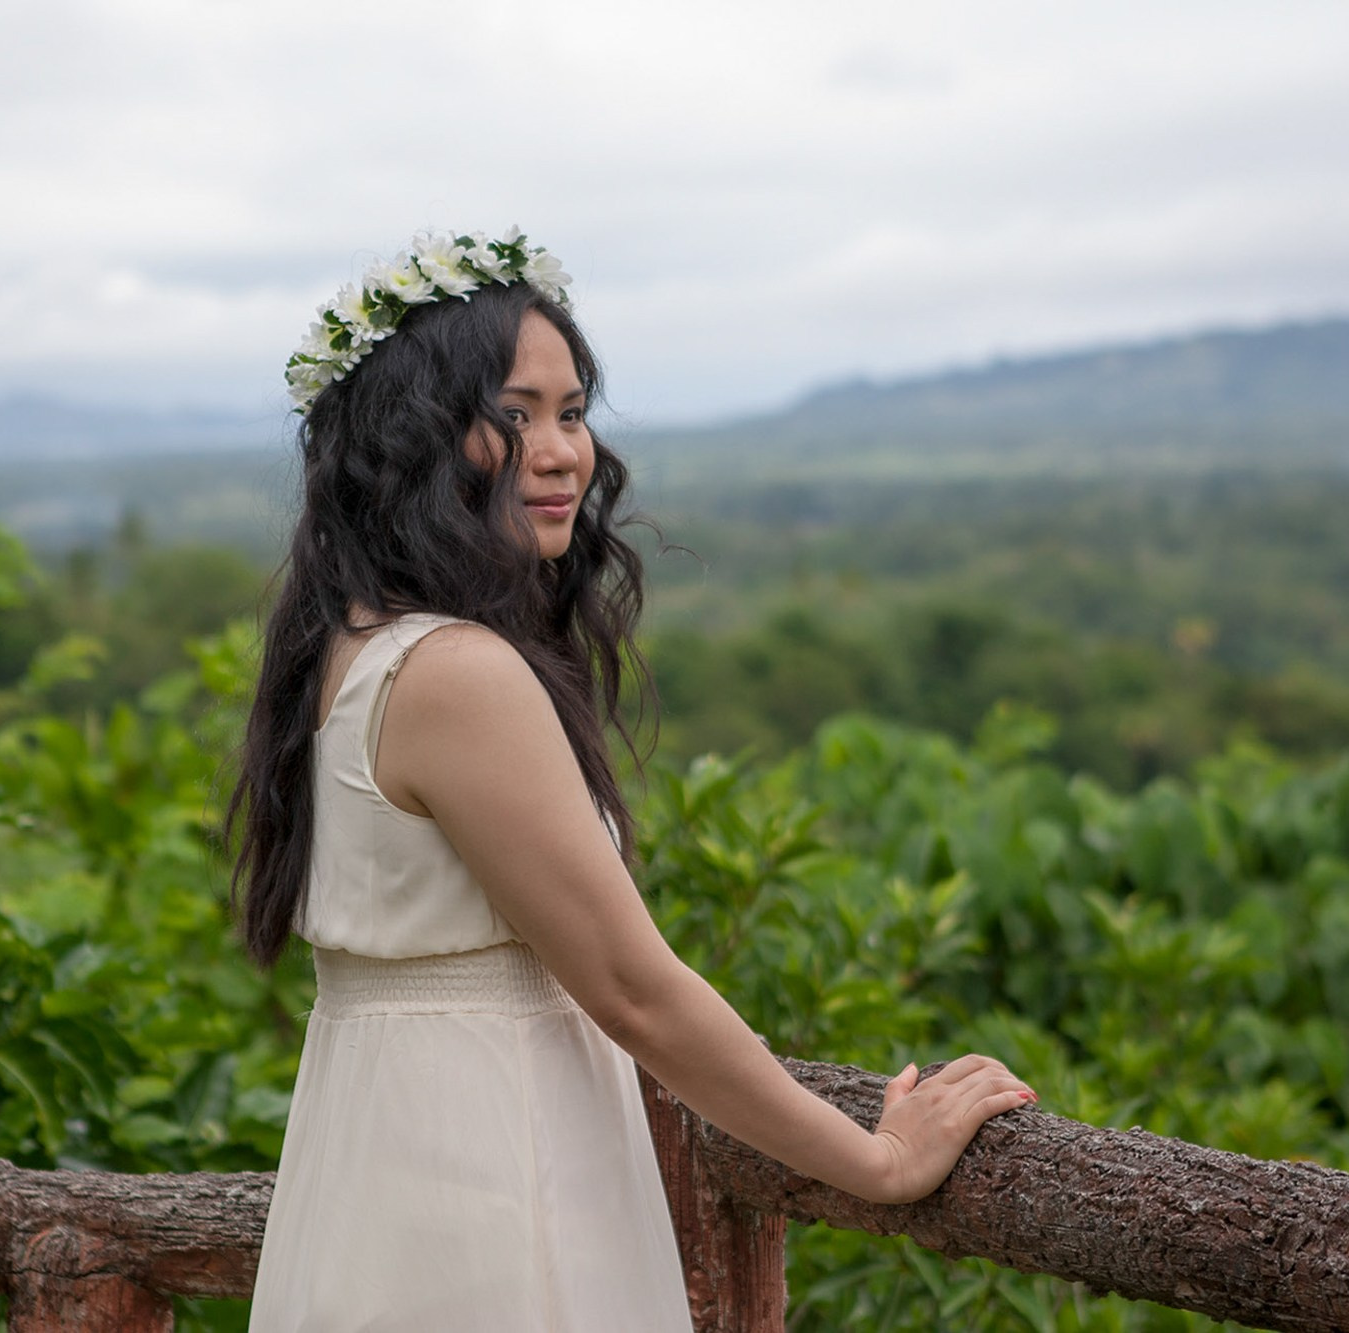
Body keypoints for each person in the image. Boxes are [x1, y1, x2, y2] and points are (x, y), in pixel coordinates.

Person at [231, 229, 1035, 1331]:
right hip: (493, 1190)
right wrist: (879, 1158)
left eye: (570, 411)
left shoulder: (348, 645)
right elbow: (631, 986)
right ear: (409, 438)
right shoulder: (456, 670)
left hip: (387, 1169)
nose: (561, 450)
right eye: (512, 416)